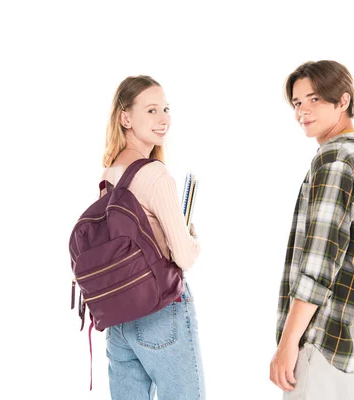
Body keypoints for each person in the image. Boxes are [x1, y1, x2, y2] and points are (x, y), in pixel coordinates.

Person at [270, 61, 354, 400]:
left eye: (314, 99)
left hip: (329, 346)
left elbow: (318, 265)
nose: (303, 111)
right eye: (297, 103)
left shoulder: (336, 161)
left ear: (343, 101)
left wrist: (288, 343)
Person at [100, 75, 205, 400]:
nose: (163, 119)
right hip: (161, 311)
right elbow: (183, 257)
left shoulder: (109, 173)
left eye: (165, 109)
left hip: (119, 316)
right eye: (151, 110)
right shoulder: (155, 174)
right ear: (125, 118)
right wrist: (192, 236)